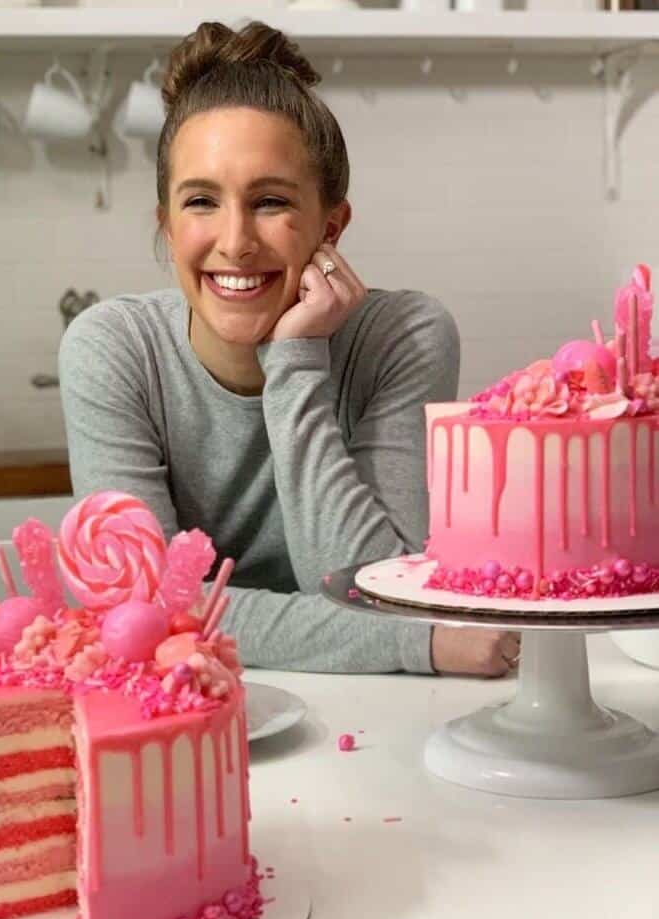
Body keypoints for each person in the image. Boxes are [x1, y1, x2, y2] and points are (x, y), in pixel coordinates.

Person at [59, 20, 520, 679]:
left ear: (330, 227)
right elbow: (145, 617)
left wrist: (295, 359)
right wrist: (413, 646)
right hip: (182, 710)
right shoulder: (111, 352)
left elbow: (373, 591)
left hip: (377, 711)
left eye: (269, 200)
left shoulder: (402, 336)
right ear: (166, 224)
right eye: (200, 201)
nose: (235, 240)